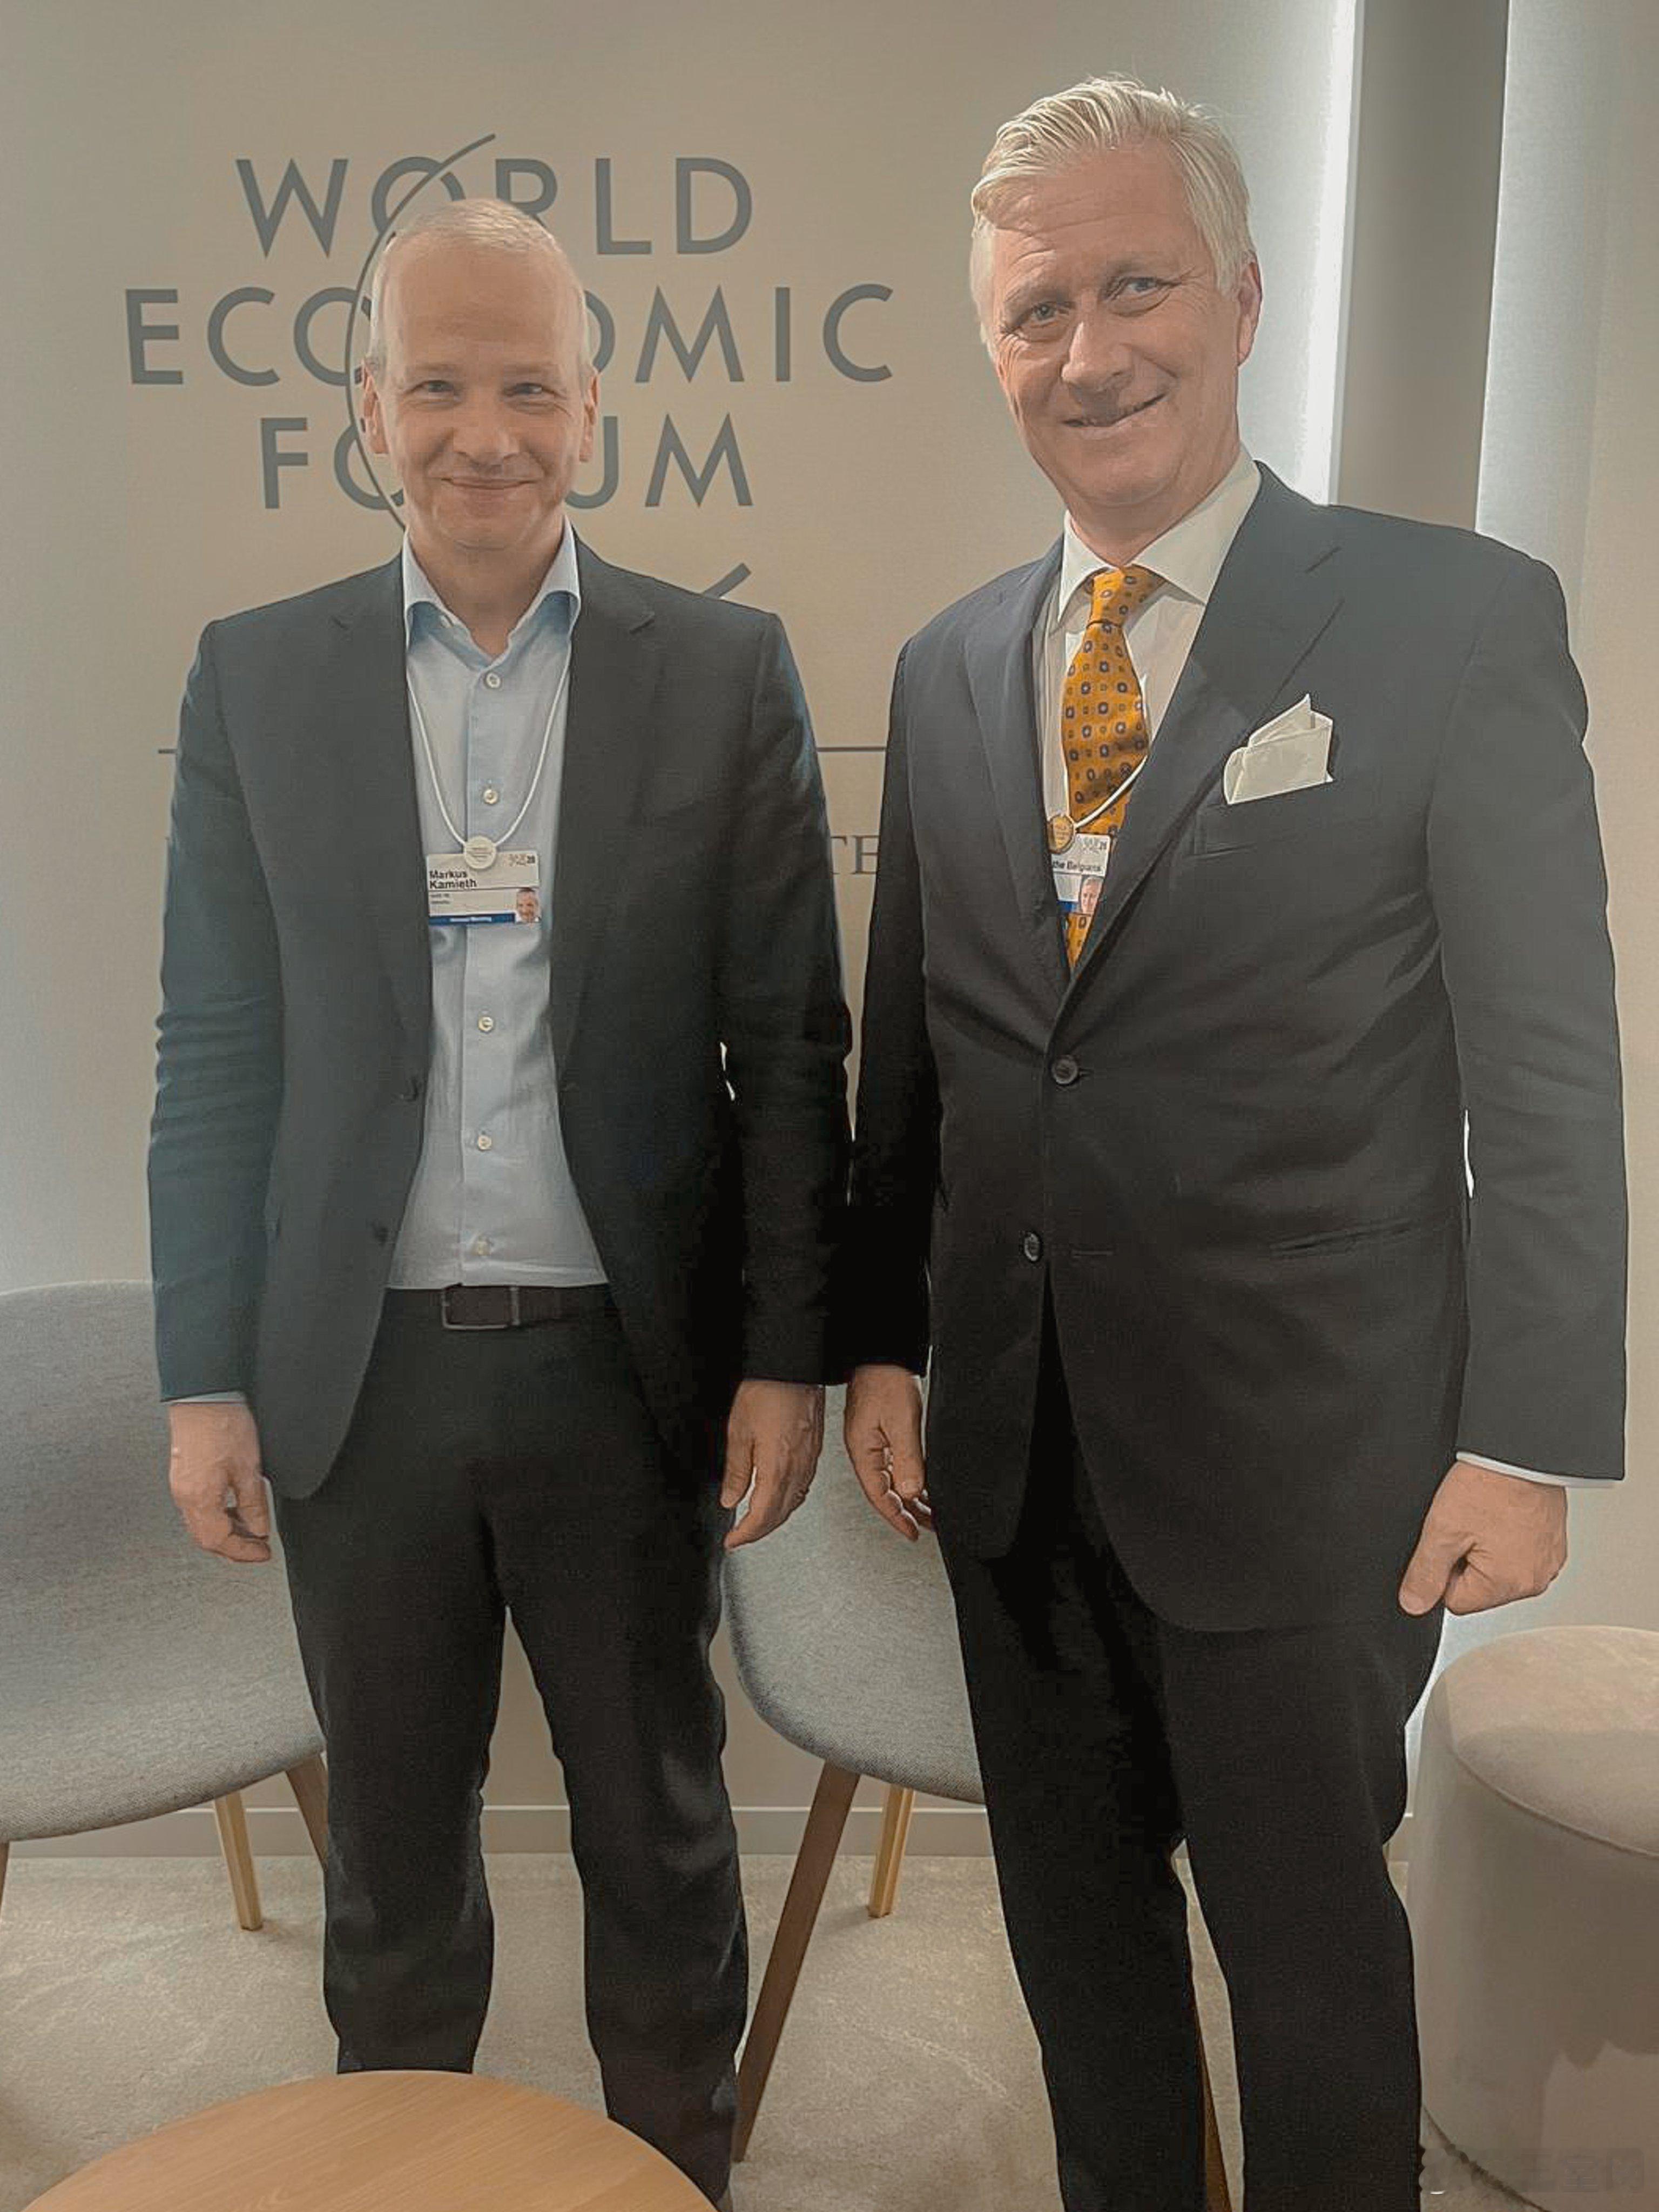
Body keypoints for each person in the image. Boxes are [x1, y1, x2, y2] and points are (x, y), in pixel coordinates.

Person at [842, 76, 1625, 2212]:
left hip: (1313, 1468)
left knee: (1308, 1978)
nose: (1089, 351)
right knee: (1082, 1970)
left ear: (1246, 298)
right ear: (991, 346)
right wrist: (882, 1336)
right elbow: (929, 1054)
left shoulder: (1450, 621)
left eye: (1138, 286)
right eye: (1036, 312)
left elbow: (1548, 1067)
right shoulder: (950, 667)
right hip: (1016, 1461)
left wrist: (1527, 1439)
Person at [149, 198, 851, 2211]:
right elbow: (218, 1054)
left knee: (660, 1845)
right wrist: (205, 1380)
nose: (486, 432)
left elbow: (789, 1050)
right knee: (393, 1871)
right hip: (355, 1385)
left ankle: (676, 2182)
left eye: (528, 386)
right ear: (370, 409)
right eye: (439, 385)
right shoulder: (257, 680)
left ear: (592, 409)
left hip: (626, 1377)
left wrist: (787, 1357)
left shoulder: (719, 672)